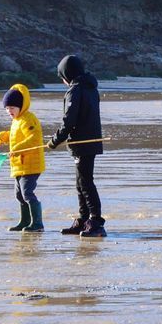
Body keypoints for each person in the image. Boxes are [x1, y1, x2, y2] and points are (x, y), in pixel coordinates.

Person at [47, 54, 106, 237]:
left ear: (66, 75)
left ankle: (96, 222)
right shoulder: (90, 88)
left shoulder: (76, 90)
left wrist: (54, 141)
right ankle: (83, 220)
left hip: (83, 143)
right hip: (89, 142)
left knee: (86, 183)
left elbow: (69, 122)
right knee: (80, 183)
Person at [0, 83, 45, 232]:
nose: (9, 111)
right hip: (19, 165)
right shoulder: (16, 121)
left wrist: (17, 149)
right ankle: (25, 221)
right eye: (7, 108)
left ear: (21, 106)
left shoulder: (28, 119)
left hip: (31, 164)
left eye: (12, 108)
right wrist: (5, 136)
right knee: (19, 195)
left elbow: (34, 139)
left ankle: (37, 224)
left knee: (27, 193)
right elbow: (16, 136)